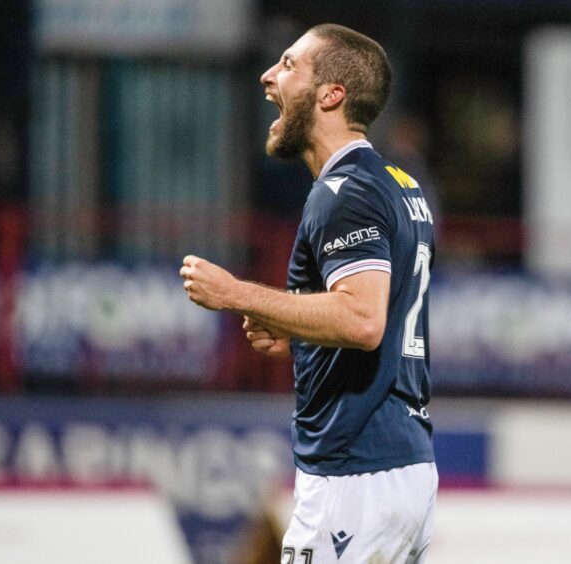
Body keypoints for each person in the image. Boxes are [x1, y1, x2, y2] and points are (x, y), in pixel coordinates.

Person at [179, 23, 438, 562]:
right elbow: (376, 317)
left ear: (331, 94)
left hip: (357, 472)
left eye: (289, 65)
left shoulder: (346, 192)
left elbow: (363, 320)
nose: (269, 76)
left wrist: (235, 294)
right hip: (399, 466)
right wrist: (300, 334)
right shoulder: (395, 182)